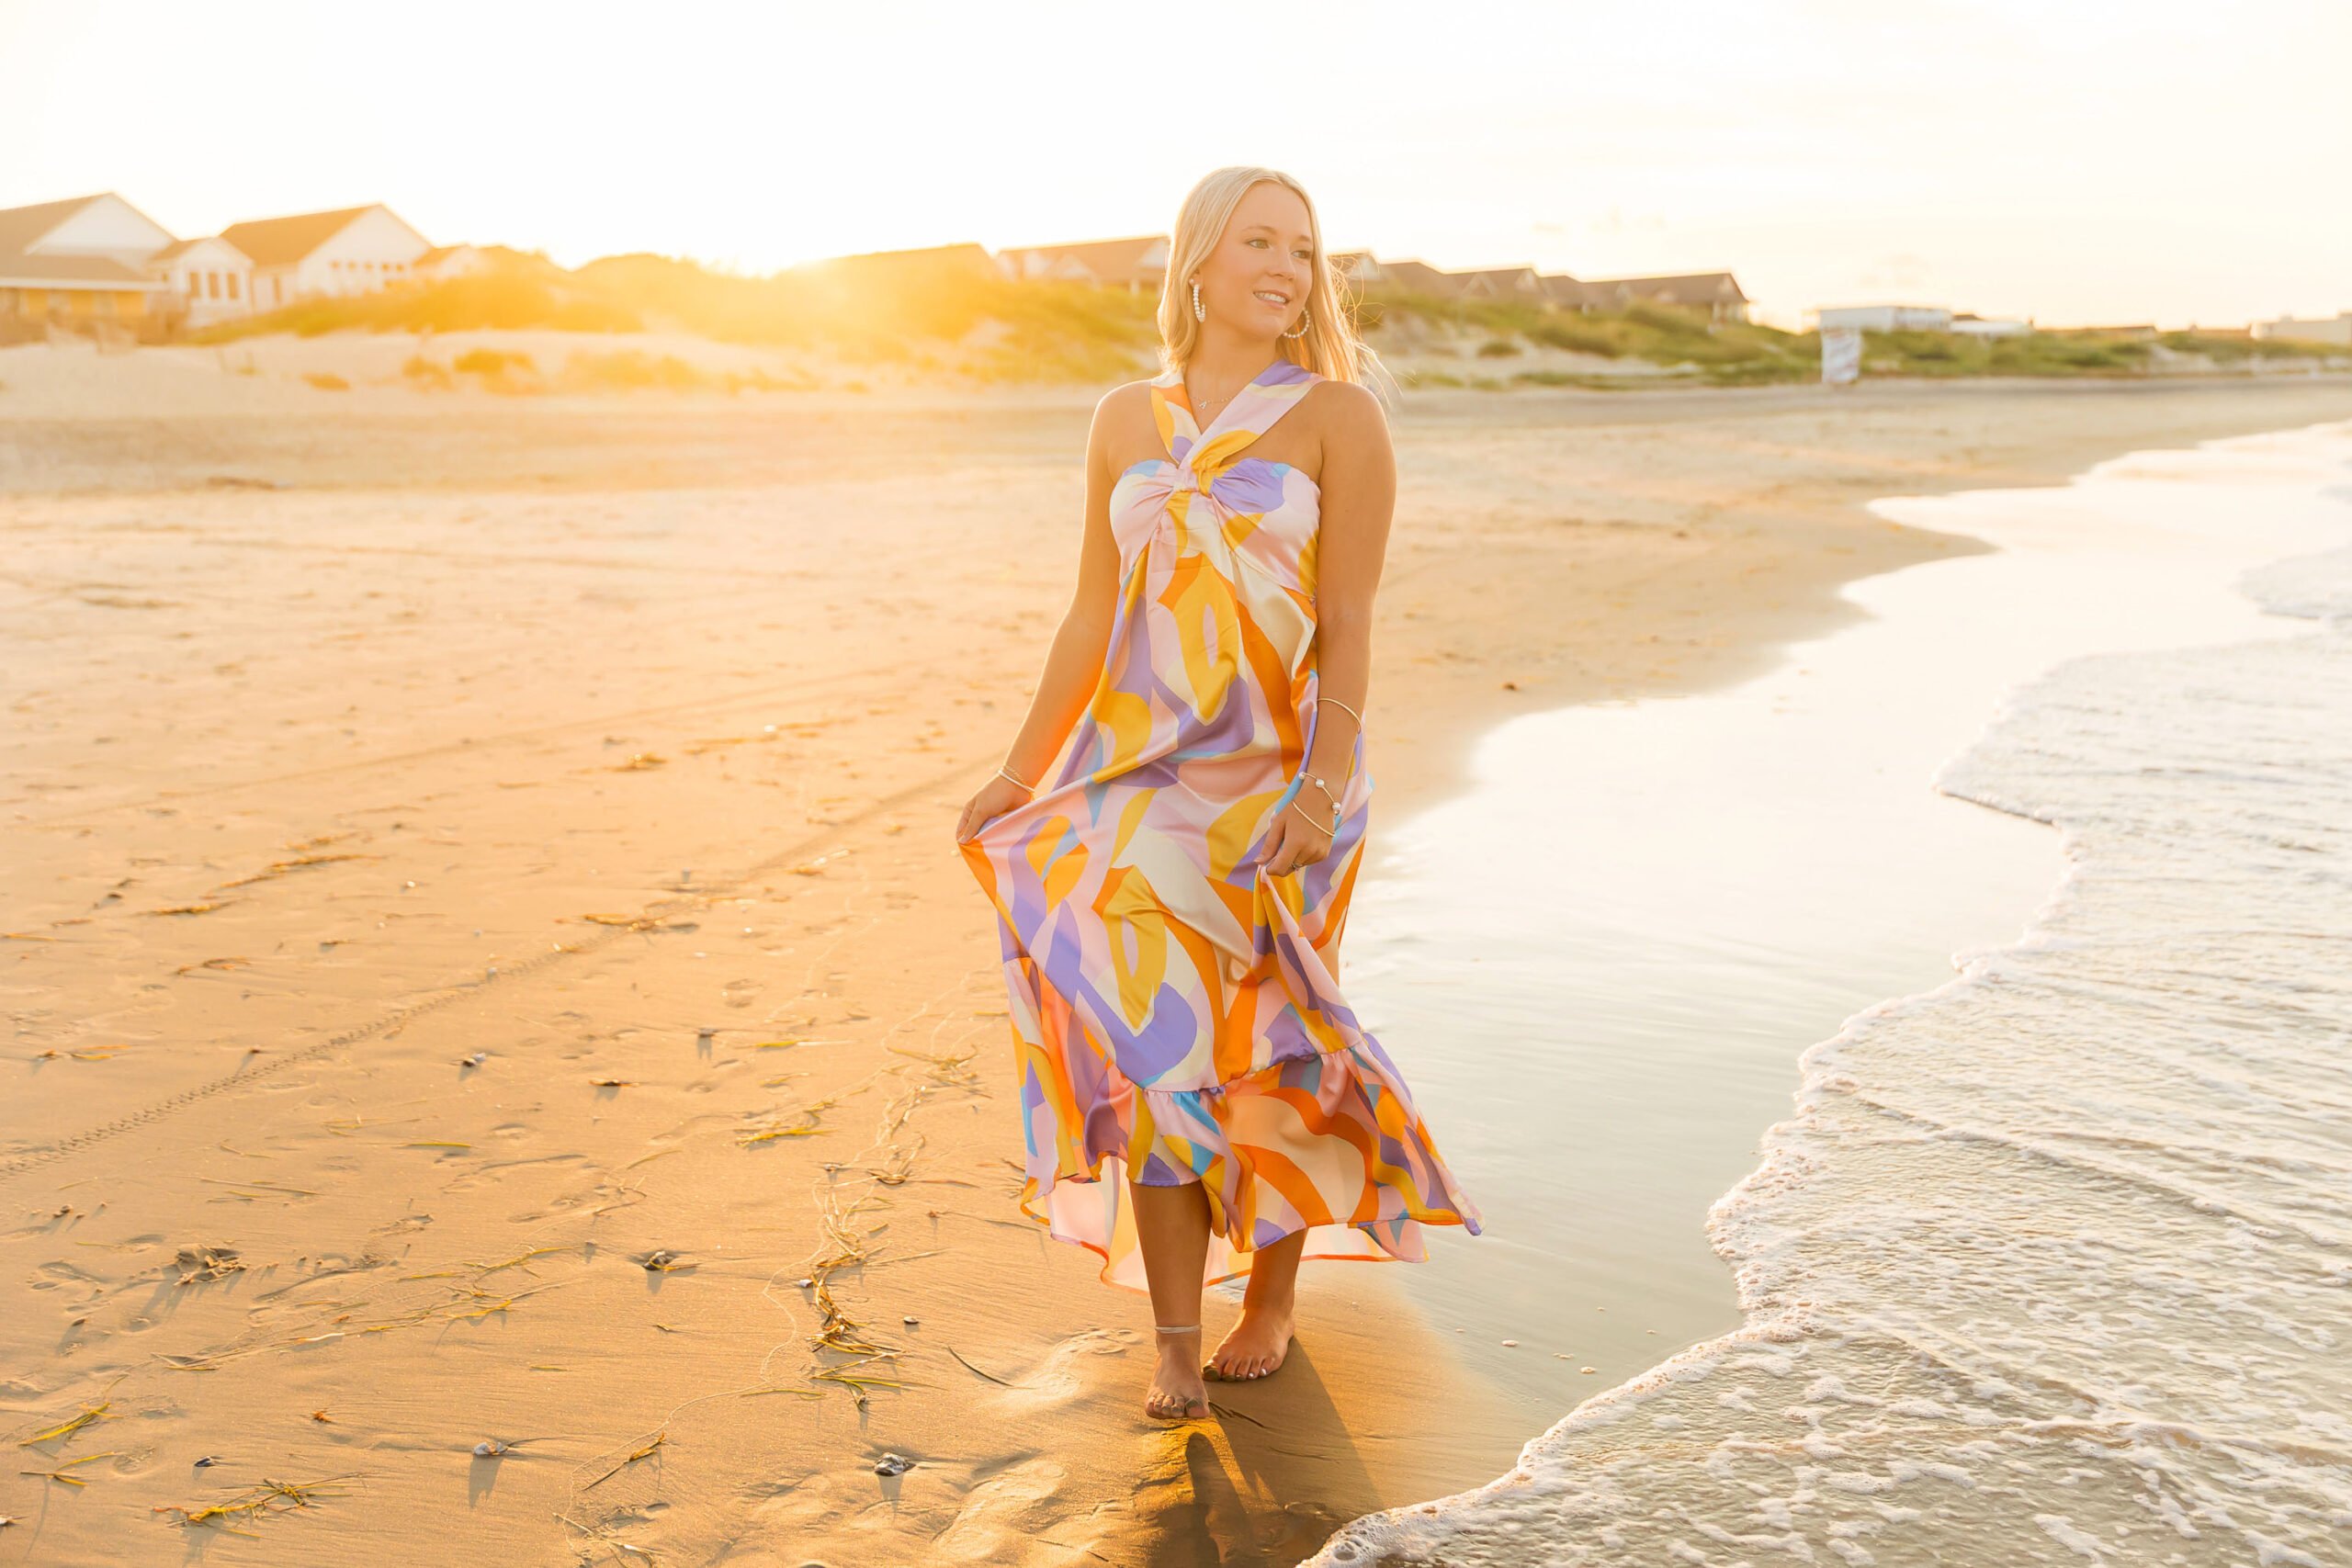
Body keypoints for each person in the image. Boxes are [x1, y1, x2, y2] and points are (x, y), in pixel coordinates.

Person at [956, 166, 1478, 1423]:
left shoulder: (1339, 419)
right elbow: (1093, 611)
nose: (1288, 268)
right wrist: (1022, 771)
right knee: (1151, 1062)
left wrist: (1327, 780)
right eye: (1260, 240)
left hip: (1282, 783)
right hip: (1138, 783)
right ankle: (1175, 1343)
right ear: (1198, 259)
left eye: (1303, 249)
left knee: (1275, 1050)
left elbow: (1349, 620)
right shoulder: (1124, 418)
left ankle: (1275, 1302)